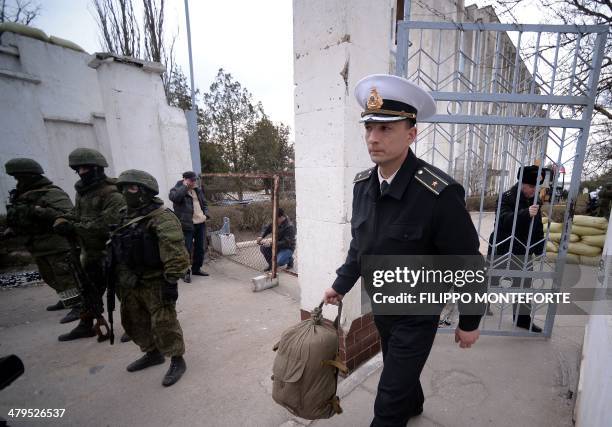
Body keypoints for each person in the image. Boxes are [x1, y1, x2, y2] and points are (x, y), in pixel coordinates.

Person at [321, 74, 484, 426]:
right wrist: (341, 284)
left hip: (418, 311)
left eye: (386, 129)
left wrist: (470, 321)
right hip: (382, 305)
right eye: (369, 129)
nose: (373, 138)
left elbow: (468, 262)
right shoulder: (364, 185)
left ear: (411, 134)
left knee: (388, 400)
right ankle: (414, 403)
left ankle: (398, 409)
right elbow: (360, 244)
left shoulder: (438, 193)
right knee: (397, 363)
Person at [109, 169, 189, 387]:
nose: (127, 192)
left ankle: (176, 359)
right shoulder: (124, 215)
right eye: (123, 188)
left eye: (132, 188)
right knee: (135, 320)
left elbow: (176, 254)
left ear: (145, 191)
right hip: (129, 281)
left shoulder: (162, 218)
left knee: (164, 323)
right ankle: (152, 353)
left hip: (155, 281)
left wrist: (171, 282)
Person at [53, 148, 125, 341]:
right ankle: (86, 325)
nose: (82, 172)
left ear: (97, 168)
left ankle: (133, 325)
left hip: (111, 253)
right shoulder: (82, 193)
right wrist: (62, 220)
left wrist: (74, 228)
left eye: (86, 168)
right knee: (89, 292)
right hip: (90, 253)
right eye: (78, 169)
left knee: (123, 292)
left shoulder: (112, 193)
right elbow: (77, 214)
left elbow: (107, 225)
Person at [3, 158, 81, 324]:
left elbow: (69, 215)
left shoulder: (51, 193)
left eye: (20, 177)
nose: (18, 181)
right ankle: (66, 299)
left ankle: (79, 305)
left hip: (56, 244)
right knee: (49, 277)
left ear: (30, 175)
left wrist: (40, 212)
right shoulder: (22, 195)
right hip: (36, 244)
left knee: (65, 276)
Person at [488, 165, 545, 333]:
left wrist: (539, 248)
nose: (534, 191)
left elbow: (538, 226)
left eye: (537, 187)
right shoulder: (507, 197)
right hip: (503, 245)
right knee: (492, 279)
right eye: (532, 187)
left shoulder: (535, 200)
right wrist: (525, 213)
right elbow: (503, 220)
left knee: (524, 284)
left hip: (523, 248)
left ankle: (522, 320)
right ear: (522, 184)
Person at [169, 171, 210, 282]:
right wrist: (185, 187)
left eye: (195, 180)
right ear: (185, 180)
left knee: (200, 248)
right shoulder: (176, 189)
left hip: (200, 223)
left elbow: (204, 203)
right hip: (187, 225)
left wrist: (206, 214)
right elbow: (175, 198)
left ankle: (196, 269)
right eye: (192, 180)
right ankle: (185, 272)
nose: (194, 182)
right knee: (186, 249)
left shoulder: (198, 190)